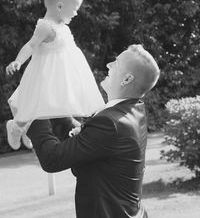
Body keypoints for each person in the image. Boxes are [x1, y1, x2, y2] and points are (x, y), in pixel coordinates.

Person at [27, 44, 160, 218]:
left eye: (116, 63)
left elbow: (52, 158)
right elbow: (87, 142)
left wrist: (32, 113)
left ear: (127, 79)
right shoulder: (132, 111)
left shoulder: (112, 123)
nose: (108, 65)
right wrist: (50, 104)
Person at [6, 0, 105, 150]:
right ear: (59, 7)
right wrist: (18, 61)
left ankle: (27, 129)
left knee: (51, 107)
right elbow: (31, 45)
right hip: (45, 74)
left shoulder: (62, 26)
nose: (75, 14)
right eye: (74, 9)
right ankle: (16, 127)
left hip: (62, 76)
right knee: (31, 106)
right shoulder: (46, 27)